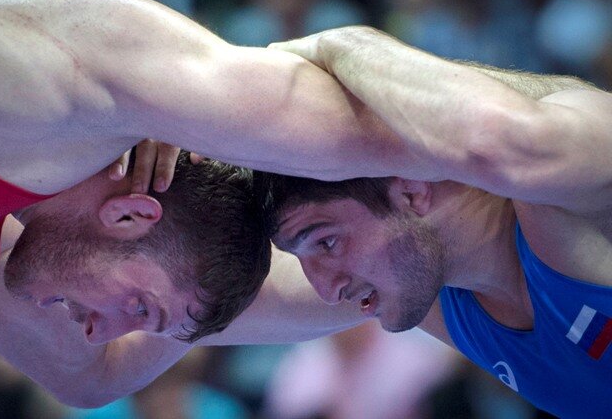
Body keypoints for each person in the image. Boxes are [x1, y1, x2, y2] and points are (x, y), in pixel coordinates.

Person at [0, 0, 375, 275]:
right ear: (131, 216)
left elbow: (94, 381)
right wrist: (345, 48)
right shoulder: (31, 80)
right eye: (145, 311)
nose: (100, 333)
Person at [252, 25, 612, 418]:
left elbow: (505, 138)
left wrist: (340, 45)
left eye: (327, 242)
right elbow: (211, 301)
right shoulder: (425, 287)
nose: (326, 290)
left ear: (410, 191)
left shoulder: (564, 202)